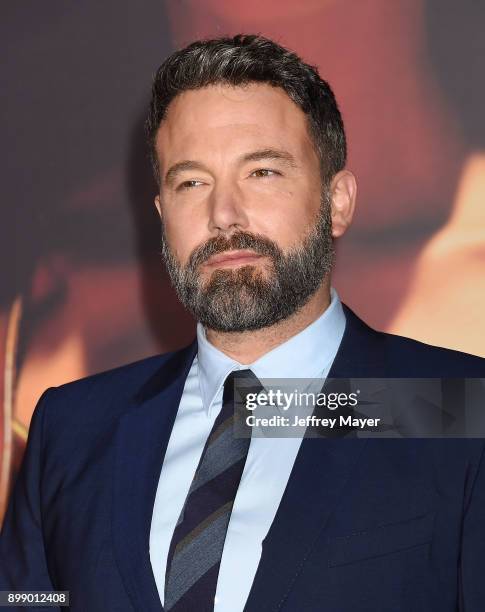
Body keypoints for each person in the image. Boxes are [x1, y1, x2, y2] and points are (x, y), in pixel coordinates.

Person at [1, 34, 484, 612]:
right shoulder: (72, 428)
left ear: (339, 201)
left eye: (262, 173)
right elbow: (28, 600)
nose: (223, 215)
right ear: (160, 213)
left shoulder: (453, 408)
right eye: (191, 182)